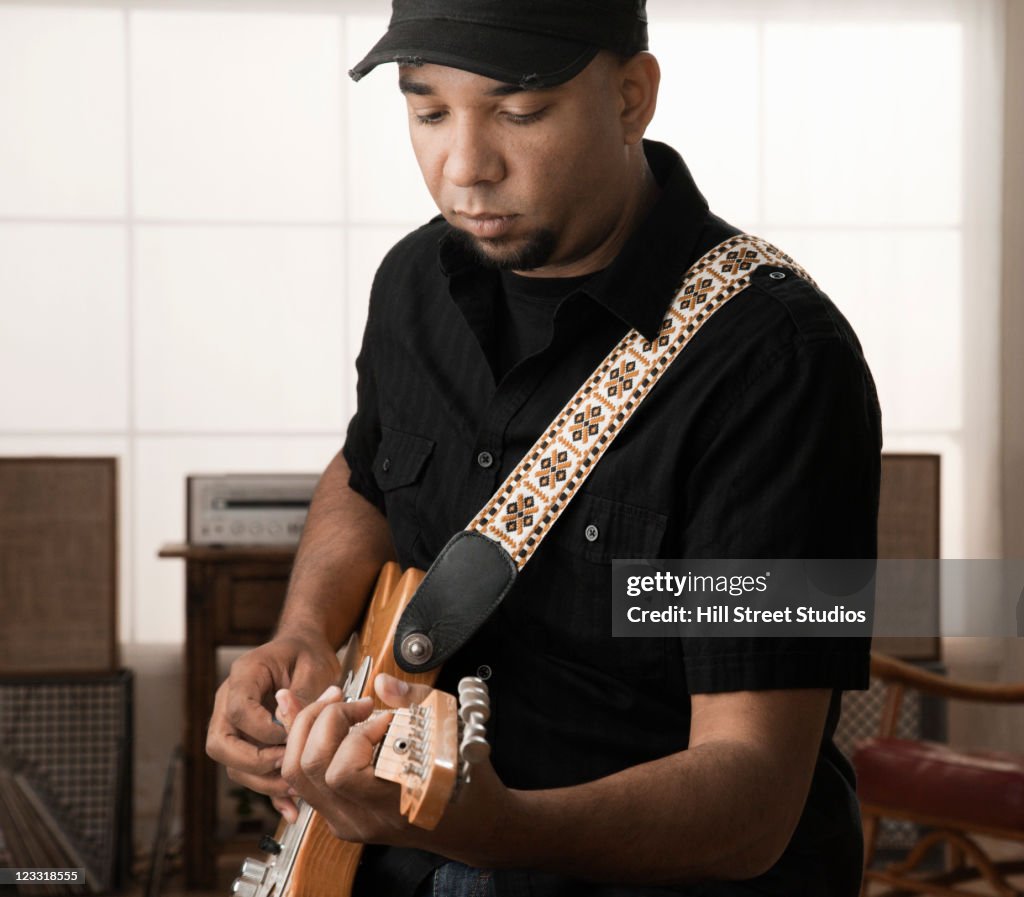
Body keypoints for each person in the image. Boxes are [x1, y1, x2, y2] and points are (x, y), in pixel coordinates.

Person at [206, 2, 882, 895]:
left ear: (632, 97)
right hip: (385, 869)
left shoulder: (781, 364)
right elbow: (370, 472)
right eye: (428, 111)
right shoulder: (414, 285)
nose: (464, 168)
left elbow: (753, 798)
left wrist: (500, 829)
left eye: (519, 113)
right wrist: (304, 629)